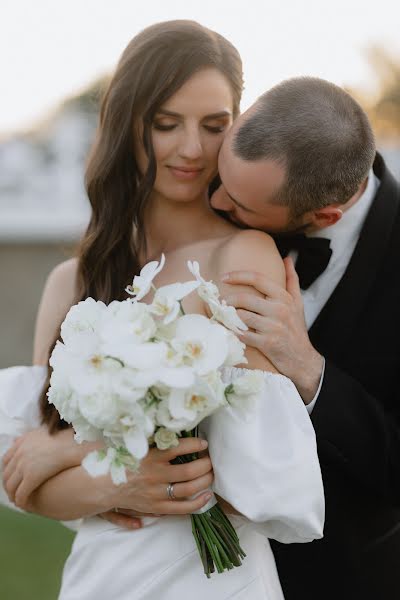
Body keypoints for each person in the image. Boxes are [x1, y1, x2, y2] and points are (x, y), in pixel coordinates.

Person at [0, 22, 324, 600]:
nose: (191, 149)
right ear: (128, 124)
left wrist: (74, 449)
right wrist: (115, 486)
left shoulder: (242, 256)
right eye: (165, 123)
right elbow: (27, 485)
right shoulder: (70, 281)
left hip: (213, 580)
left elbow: (246, 470)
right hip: (101, 575)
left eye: (214, 125)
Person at [209, 77, 400, 600]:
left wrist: (309, 370)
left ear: (324, 217)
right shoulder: (209, 199)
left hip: (345, 577)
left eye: (241, 205)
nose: (216, 197)